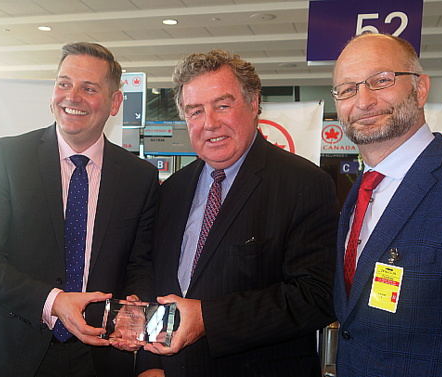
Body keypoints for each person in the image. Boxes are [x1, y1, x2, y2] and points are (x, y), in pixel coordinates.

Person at [0, 42, 159, 377]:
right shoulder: (8, 158)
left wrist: (133, 306)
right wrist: (54, 302)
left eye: (89, 88)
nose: (72, 97)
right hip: (11, 352)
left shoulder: (140, 176)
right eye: (64, 83)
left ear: (115, 102)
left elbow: (140, 263)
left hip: (99, 356)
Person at [135, 50, 339, 377]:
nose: (210, 123)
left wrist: (207, 320)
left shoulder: (304, 184)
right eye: (195, 111)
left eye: (222, 105)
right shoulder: (171, 190)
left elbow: (315, 297)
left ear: (254, 103)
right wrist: (150, 364)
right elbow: (155, 283)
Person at [332, 33, 442, 376]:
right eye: (347, 89)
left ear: (420, 89)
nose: (363, 100)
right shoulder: (360, 192)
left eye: (381, 80)